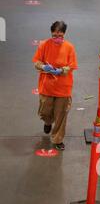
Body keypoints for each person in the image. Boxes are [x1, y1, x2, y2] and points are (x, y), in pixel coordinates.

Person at [32, 21, 78, 151]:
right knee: (45, 112)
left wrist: (62, 70)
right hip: (47, 85)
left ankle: (58, 139)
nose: (57, 38)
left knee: (61, 115)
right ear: (51, 33)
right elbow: (36, 62)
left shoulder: (69, 47)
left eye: (60, 36)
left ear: (64, 34)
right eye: (54, 35)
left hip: (63, 87)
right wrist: (43, 66)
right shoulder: (44, 45)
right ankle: (47, 122)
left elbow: (72, 65)